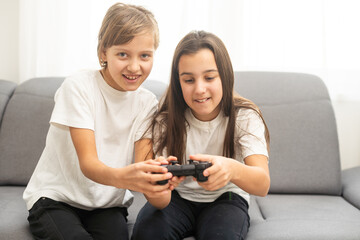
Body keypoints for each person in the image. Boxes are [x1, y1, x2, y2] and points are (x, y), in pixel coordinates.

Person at [23, 3, 174, 239]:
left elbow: (151, 185)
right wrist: (130, 177)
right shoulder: (79, 87)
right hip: (55, 200)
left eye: (144, 55)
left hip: (106, 206)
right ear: (104, 52)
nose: (135, 66)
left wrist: (160, 182)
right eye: (123, 54)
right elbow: (88, 164)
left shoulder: (147, 104)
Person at [132, 30, 270, 240]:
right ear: (178, 83)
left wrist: (231, 169)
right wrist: (159, 184)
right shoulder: (164, 118)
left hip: (227, 198)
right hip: (177, 197)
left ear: (225, 76)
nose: (199, 89)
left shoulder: (244, 116)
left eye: (209, 77)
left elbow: (262, 184)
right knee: (147, 234)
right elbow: (155, 194)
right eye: (189, 80)